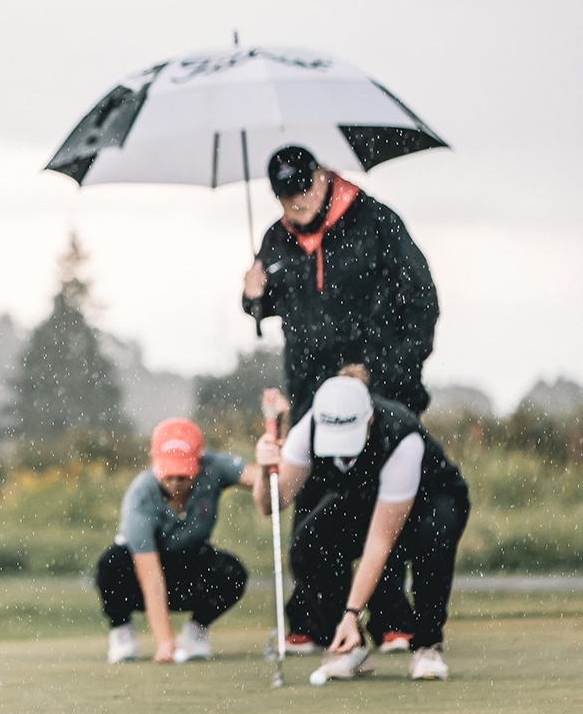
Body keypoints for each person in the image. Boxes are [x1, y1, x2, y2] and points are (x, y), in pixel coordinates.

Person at [241, 144, 439, 651]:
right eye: (284, 194)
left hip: (383, 394)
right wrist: (252, 297)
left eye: (303, 188)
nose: (295, 201)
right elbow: (265, 311)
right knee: (311, 503)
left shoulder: (376, 223)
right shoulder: (275, 240)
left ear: (325, 177)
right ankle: (313, 619)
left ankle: (392, 618)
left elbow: (421, 303)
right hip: (311, 397)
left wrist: (385, 376)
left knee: (385, 502)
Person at [255, 374, 470, 683]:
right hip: (367, 494)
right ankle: (349, 647)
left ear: (369, 420)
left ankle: (427, 645)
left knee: (432, 537)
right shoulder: (308, 428)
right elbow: (270, 505)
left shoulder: (400, 436)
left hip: (434, 497)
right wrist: (265, 471)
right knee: (309, 543)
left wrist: (352, 613)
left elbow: (380, 543)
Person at [98, 418, 256, 664]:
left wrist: (269, 466)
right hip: (141, 576)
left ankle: (195, 633)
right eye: (168, 475)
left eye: (183, 476)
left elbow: (258, 478)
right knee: (110, 564)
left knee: (231, 572)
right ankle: (122, 632)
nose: (175, 483)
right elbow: (151, 579)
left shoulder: (214, 467)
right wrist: (164, 642)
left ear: (198, 461)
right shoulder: (140, 495)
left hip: (189, 565)